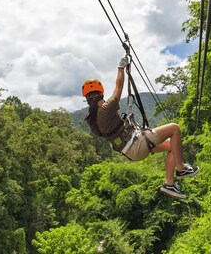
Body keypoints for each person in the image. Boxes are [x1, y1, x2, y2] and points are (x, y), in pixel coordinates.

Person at [81, 56, 199, 199]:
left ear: (87, 99)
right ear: (101, 93)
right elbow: (119, 87)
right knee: (174, 129)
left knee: (172, 147)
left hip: (131, 150)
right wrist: (121, 67)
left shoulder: (94, 117)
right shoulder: (106, 108)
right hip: (136, 144)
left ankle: (169, 184)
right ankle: (180, 169)